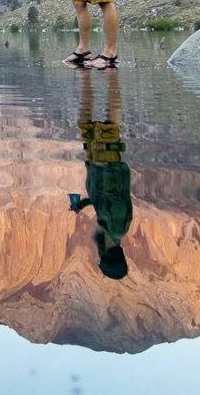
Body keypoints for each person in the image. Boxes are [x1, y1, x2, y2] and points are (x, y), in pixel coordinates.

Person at [68, 68, 132, 280]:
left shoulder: (110, 226)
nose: (97, 250)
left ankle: (87, 76)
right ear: (106, 252)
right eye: (100, 253)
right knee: (109, 124)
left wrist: (83, 204)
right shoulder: (117, 225)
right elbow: (114, 192)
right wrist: (101, 160)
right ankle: (110, 74)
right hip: (105, 161)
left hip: (98, 162)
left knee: (86, 123)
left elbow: (100, 199)